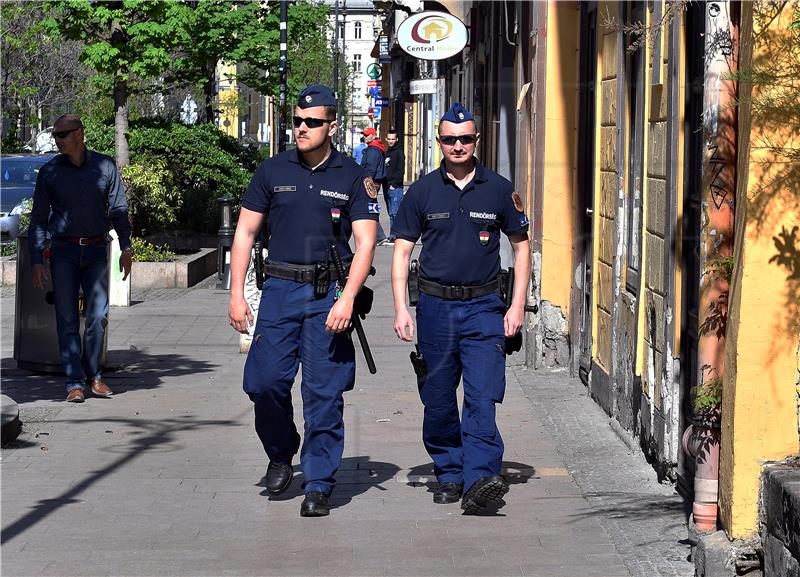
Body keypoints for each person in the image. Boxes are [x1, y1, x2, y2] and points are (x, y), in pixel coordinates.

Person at [228, 84, 379, 518]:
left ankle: (318, 481)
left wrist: (348, 298)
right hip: (278, 292)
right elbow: (245, 233)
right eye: (296, 120)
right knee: (263, 383)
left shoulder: (351, 175)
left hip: (328, 293)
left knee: (323, 393)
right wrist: (237, 294)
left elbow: (366, 242)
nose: (301, 128)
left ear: (332, 125)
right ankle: (280, 450)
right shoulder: (272, 171)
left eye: (312, 122)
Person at [390, 102, 531, 514]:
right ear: (439, 142)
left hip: (485, 306)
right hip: (434, 308)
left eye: (465, 138)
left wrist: (517, 306)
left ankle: (481, 476)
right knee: (437, 396)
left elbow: (521, 250)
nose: (457, 145)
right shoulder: (422, 192)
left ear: (476, 140)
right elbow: (401, 254)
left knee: (482, 395)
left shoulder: (500, 190)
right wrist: (401, 308)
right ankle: (449, 470)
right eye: (450, 139)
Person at [28, 114, 132, 404]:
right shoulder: (50, 172)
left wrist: (127, 247)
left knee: (98, 316)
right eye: (56, 136)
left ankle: (94, 376)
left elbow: (119, 210)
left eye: (63, 135)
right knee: (67, 318)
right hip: (63, 252)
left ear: (79, 135)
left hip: (97, 249)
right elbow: (38, 219)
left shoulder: (105, 166)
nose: (57, 140)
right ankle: (74, 382)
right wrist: (36, 259)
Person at [384, 129, 405, 243]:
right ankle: (393, 235)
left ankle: (395, 236)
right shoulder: (389, 151)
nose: (391, 141)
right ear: (386, 139)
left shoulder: (398, 152)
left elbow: (400, 171)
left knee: (395, 213)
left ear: (396, 139)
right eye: (389, 139)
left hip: (395, 187)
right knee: (391, 213)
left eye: (393, 139)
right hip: (388, 186)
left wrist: (394, 184)